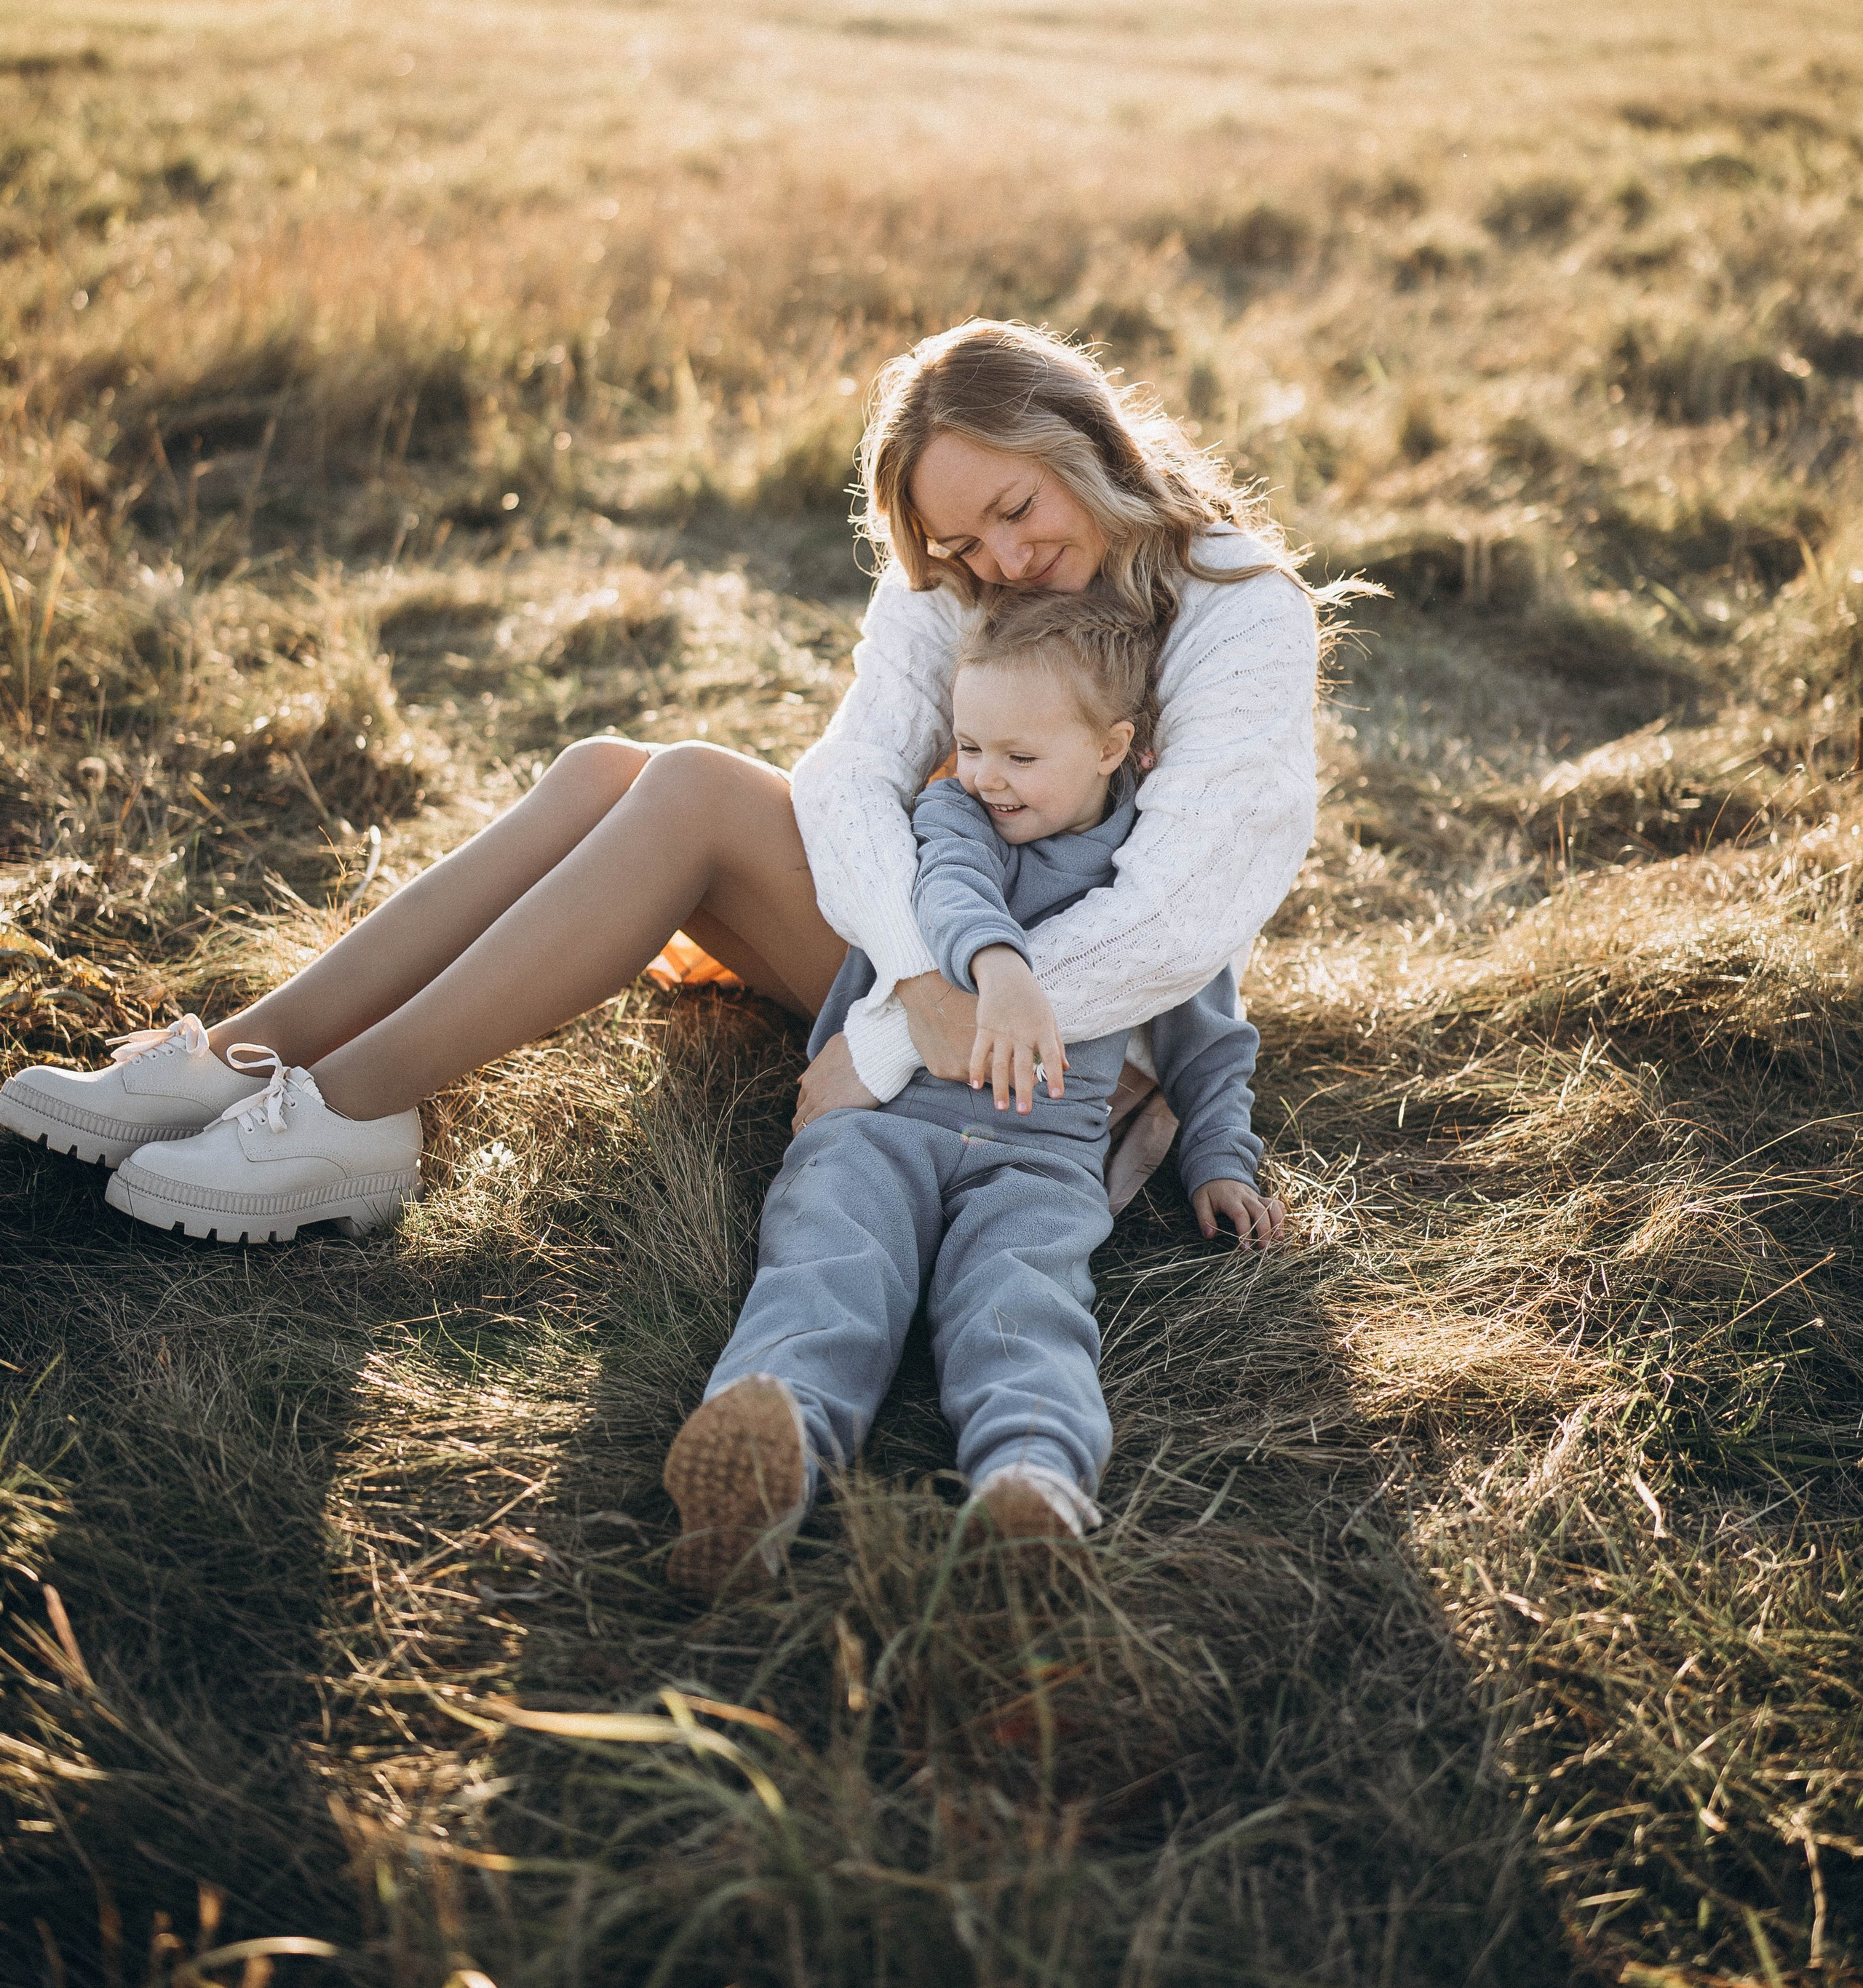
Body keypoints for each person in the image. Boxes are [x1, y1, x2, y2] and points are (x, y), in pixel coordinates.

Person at [0, 320, 1320, 1263]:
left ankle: (349, 1116)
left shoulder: (1238, 609)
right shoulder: (967, 575)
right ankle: (240, 1061)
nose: (1004, 559)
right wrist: (918, 973)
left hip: (1070, 1038)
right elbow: (848, 778)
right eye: (964, 540)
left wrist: (900, 1035)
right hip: (944, 960)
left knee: (687, 790)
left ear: (1087, 441)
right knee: (606, 770)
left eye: (1020, 509)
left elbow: (1176, 918)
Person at [662, 592, 1284, 1598]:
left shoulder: (1160, 873)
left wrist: (1220, 1160)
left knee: (1022, 1304)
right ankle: (766, 1457)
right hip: (884, 1123)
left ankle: (1031, 1488)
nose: (987, 775)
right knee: (828, 1263)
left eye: (1020, 756)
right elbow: (949, 886)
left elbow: (1207, 1035)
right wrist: (999, 967)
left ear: (1113, 746)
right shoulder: (957, 813)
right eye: (969, 744)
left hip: (1040, 1158)